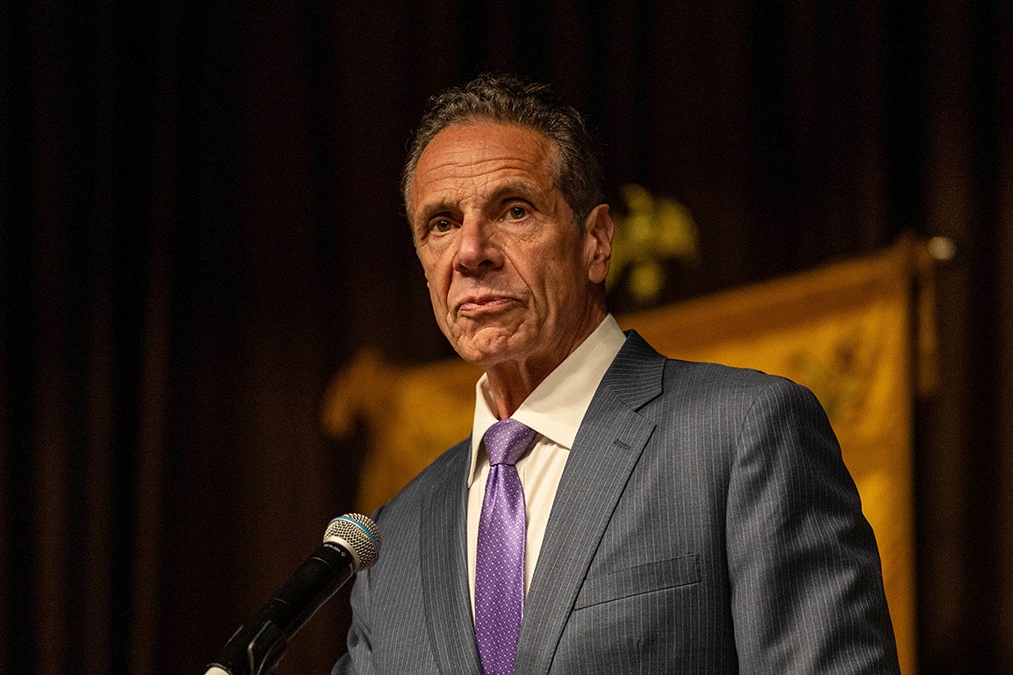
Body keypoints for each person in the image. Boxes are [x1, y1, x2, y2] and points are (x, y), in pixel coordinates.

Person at [333, 72, 899, 673]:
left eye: (514, 210)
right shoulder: (390, 540)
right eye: (441, 224)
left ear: (597, 243)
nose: (471, 252)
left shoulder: (741, 435)